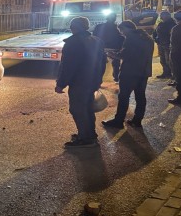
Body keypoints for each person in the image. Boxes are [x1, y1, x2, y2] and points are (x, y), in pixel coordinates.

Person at [55, 16, 107, 148]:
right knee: (87, 108)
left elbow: (68, 66)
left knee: (78, 110)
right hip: (91, 81)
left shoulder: (73, 43)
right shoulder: (97, 41)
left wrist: (61, 84)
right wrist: (98, 80)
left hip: (79, 82)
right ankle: (90, 134)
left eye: (72, 26)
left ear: (74, 27)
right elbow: (102, 64)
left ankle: (85, 139)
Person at [101, 21, 154, 128]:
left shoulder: (131, 38)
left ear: (127, 28)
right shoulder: (147, 38)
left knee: (124, 96)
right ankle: (137, 120)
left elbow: (126, 55)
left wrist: (112, 54)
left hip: (130, 72)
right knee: (140, 96)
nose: (121, 33)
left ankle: (118, 121)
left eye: (122, 30)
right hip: (143, 72)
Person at [93, 13, 125, 82]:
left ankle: (99, 79)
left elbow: (94, 36)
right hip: (114, 48)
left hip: (101, 47)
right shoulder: (117, 28)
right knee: (116, 63)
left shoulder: (99, 26)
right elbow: (120, 37)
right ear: (114, 19)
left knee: (101, 64)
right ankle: (116, 76)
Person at [152, 11, 176, 80]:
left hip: (168, 45)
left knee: (169, 61)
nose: (162, 17)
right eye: (161, 15)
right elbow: (155, 32)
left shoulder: (172, 24)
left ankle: (173, 75)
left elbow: (172, 35)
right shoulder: (161, 24)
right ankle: (166, 73)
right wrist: (156, 39)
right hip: (161, 44)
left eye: (163, 15)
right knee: (163, 60)